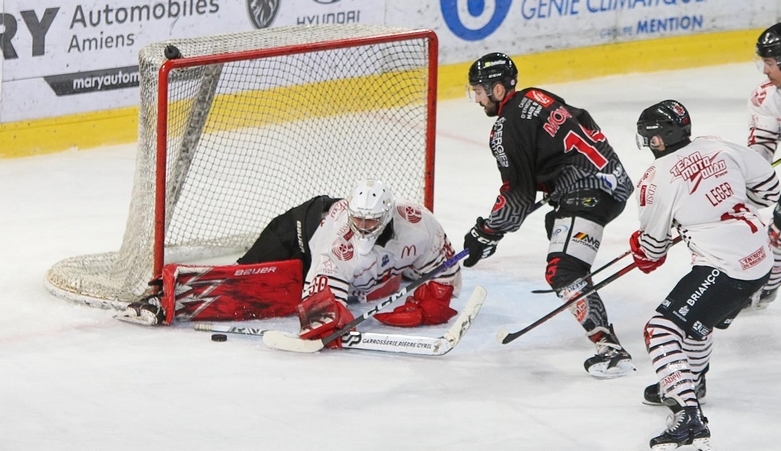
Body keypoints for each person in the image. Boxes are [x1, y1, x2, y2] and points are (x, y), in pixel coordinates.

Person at [462, 52, 636, 378]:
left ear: (498, 90)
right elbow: (582, 123)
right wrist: (563, 183)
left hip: (588, 194)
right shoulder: (537, 96)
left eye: (479, 90)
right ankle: (575, 259)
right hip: (614, 180)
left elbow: (518, 196)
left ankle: (611, 351)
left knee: (563, 272)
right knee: (555, 228)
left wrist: (486, 233)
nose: (477, 99)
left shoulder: (505, 129)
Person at [120, 180, 462, 344]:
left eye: (371, 221)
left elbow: (443, 265)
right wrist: (329, 323)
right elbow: (318, 307)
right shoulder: (338, 240)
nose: (363, 226)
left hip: (333, 253)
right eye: (358, 219)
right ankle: (161, 299)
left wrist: (433, 302)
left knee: (289, 293)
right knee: (247, 281)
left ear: (387, 215)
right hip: (298, 233)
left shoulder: (419, 224)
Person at [632, 100, 779, 450]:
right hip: (760, 260)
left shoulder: (655, 180)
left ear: (657, 140)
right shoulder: (717, 144)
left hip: (726, 268)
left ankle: (688, 414)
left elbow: (652, 253)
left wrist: (645, 245)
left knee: (661, 328)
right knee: (698, 322)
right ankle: (692, 381)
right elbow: (770, 191)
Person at [747, 22, 781, 309]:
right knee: (778, 231)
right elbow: (763, 142)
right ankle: (768, 285)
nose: (765, 70)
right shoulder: (766, 97)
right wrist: (753, 179)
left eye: (769, 63)